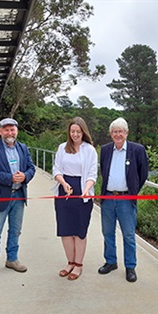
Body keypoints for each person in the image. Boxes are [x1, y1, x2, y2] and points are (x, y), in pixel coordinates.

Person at [0, 118, 36, 282]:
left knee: (15, 231)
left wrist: (25, 176)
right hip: (0, 196)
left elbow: (31, 168)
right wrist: (10, 178)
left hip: (19, 196)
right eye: (6, 130)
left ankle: (12, 259)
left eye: (12, 130)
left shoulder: (23, 148)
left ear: (16, 131)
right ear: (0, 132)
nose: (9, 133)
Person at [98, 118, 148, 282]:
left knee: (128, 234)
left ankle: (130, 266)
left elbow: (143, 174)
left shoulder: (137, 150)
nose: (117, 134)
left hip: (126, 199)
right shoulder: (105, 150)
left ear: (126, 133)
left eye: (120, 131)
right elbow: (102, 172)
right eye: (114, 131)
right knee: (107, 232)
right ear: (111, 134)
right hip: (108, 198)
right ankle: (111, 262)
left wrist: (132, 191)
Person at [53, 117, 97, 281]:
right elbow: (56, 168)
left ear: (83, 132)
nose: (75, 134)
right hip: (64, 191)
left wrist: (86, 190)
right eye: (73, 131)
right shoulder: (62, 148)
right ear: (69, 132)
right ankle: (70, 262)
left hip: (82, 192)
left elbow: (92, 174)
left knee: (79, 232)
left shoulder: (90, 150)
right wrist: (63, 183)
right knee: (65, 231)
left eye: (78, 131)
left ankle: (78, 265)